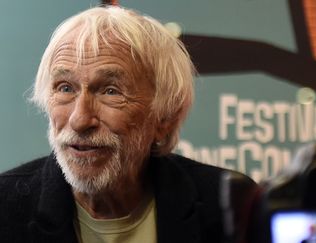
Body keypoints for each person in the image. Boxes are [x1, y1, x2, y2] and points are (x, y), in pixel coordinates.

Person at [0, 6, 243, 243]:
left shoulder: (227, 206)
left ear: (165, 116)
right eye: (65, 88)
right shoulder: (6, 207)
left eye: (110, 91)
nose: (79, 120)